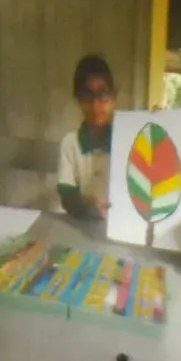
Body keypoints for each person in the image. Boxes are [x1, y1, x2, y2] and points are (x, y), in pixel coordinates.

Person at [55, 56, 119, 232]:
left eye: (103, 95)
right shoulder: (70, 143)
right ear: (77, 99)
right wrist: (84, 204)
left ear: (113, 97)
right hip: (83, 230)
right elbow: (67, 196)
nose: (95, 105)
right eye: (87, 96)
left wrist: (157, 120)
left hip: (120, 231)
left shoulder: (126, 141)